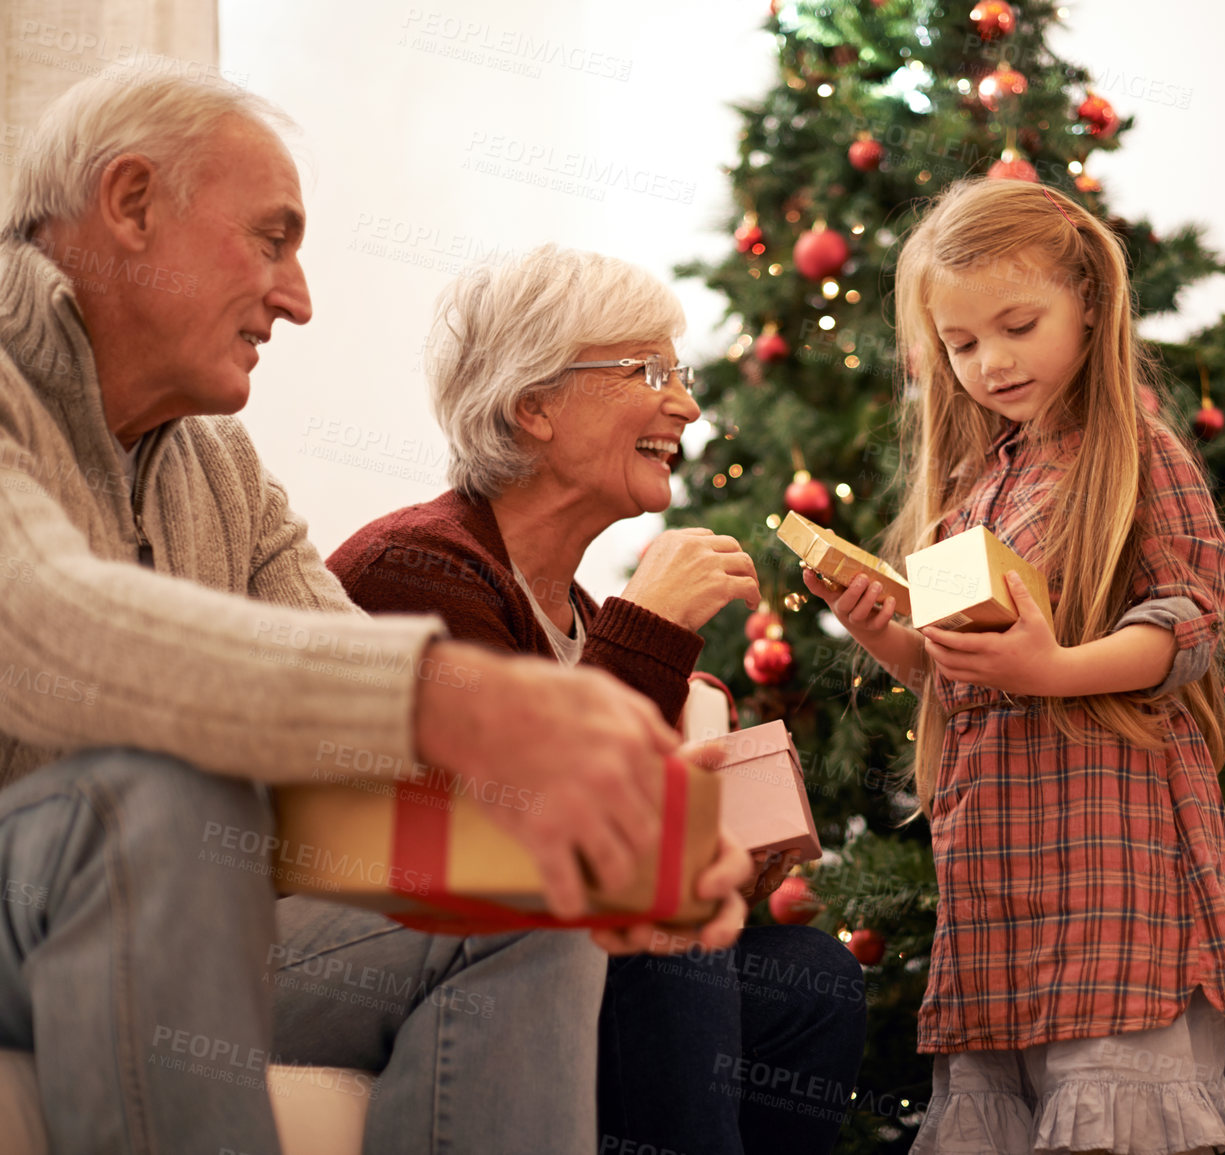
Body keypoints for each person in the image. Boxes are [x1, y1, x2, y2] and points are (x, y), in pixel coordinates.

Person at [0, 74, 747, 1155]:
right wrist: (451, 695)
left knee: (536, 923)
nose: (297, 297)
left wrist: (576, 857)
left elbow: (358, 747)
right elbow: (44, 623)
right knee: (143, 798)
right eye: (270, 240)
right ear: (130, 203)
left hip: (196, 922)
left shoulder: (223, 469)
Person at [326, 244, 869, 1155]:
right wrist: (649, 625)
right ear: (532, 404)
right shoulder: (414, 568)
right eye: (648, 371)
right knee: (662, 932)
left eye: (680, 373)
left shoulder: (575, 613)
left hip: (574, 946)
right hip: (395, 948)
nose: (687, 405)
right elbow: (517, 834)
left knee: (811, 973)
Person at [802, 178, 1225, 1154]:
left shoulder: (1137, 455)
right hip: (996, 878)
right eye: (960, 345)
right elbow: (968, 674)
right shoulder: (968, 488)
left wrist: (1053, 668)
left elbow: (1187, 625)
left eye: (1017, 324)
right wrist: (883, 634)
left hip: (1113, 865)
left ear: (1087, 302)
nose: (989, 362)